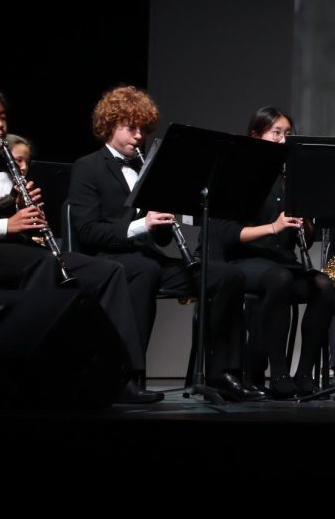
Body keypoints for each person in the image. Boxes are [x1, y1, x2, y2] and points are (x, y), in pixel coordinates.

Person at [0, 86, 157, 403]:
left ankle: (122, 376)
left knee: (108, 271)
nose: (0, 125)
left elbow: (17, 231)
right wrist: (8, 222)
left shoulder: (9, 166)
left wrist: (22, 212)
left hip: (13, 253)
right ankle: (33, 373)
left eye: (3, 117)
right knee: (42, 264)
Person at [68, 86, 266, 401]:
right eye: (130, 128)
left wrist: (162, 214)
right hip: (106, 260)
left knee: (228, 277)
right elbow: (89, 232)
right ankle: (126, 376)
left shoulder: (147, 170)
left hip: (148, 259)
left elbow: (158, 237)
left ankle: (221, 373)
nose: (138, 136)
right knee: (144, 270)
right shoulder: (87, 167)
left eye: (143, 130)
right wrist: (141, 224)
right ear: (110, 125)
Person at [212, 107, 335, 398]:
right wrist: (274, 227)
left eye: (287, 134)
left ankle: (304, 373)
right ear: (256, 136)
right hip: (246, 260)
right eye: (276, 133)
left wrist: (305, 222)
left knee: (323, 285)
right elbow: (229, 234)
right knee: (279, 279)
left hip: (282, 261)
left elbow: (307, 236)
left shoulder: (290, 178)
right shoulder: (238, 176)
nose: (283, 140)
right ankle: (277, 374)